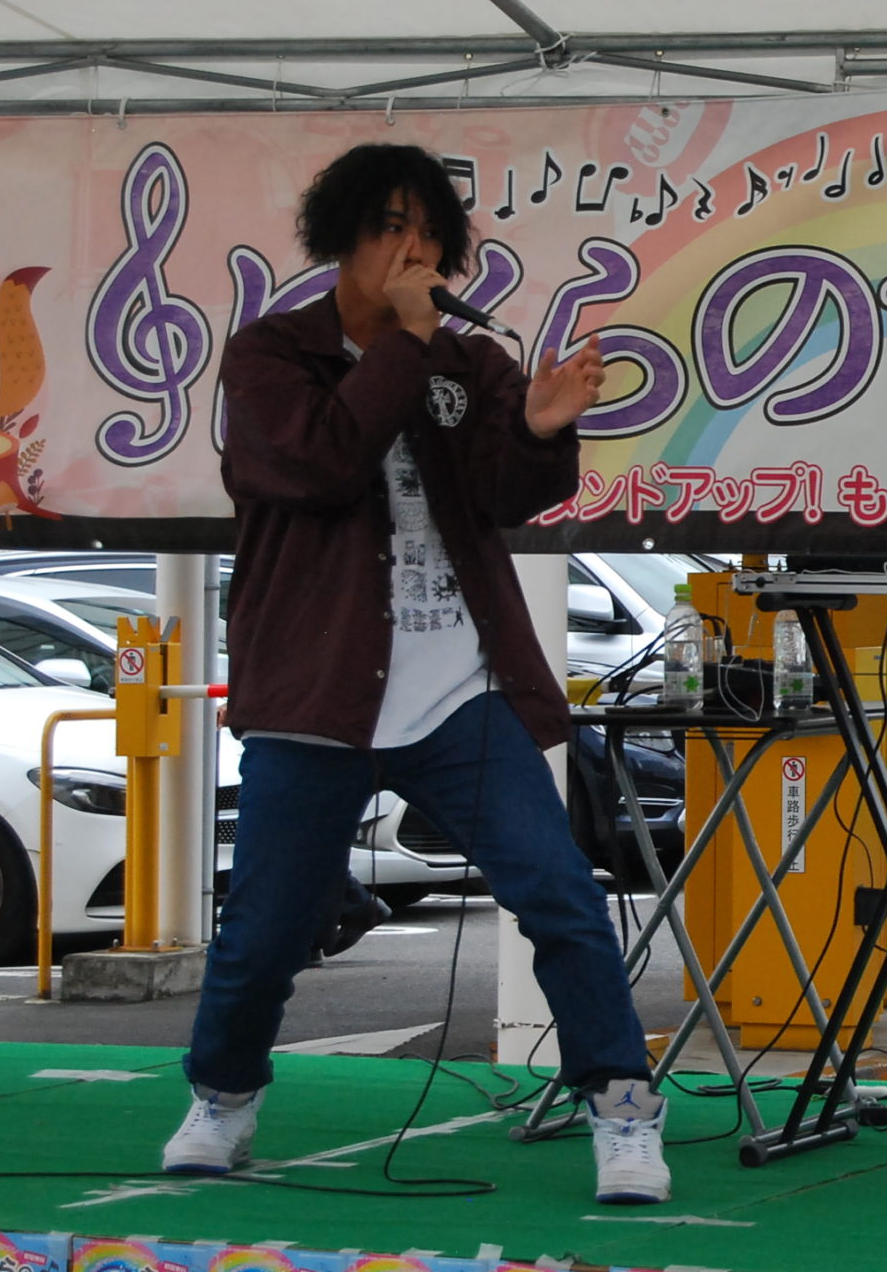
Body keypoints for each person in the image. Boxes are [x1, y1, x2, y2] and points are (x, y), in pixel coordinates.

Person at [163, 142, 670, 1203]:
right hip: (316, 690)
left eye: (431, 233)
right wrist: (402, 341)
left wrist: (541, 430)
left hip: (459, 688)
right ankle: (222, 1095)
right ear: (341, 237)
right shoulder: (272, 354)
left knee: (560, 895)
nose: (415, 251)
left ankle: (623, 1107)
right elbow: (318, 463)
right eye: (393, 227)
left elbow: (501, 496)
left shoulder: (468, 363)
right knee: (265, 925)